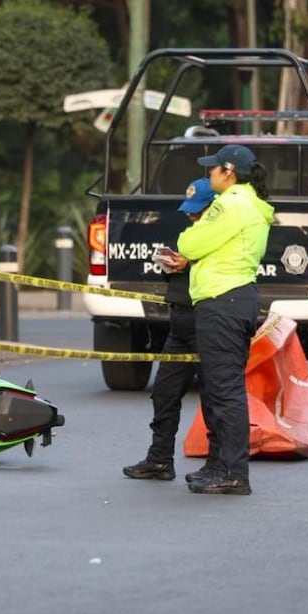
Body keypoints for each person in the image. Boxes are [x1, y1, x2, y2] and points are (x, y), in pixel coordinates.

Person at [177, 144, 274, 495]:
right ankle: (219, 465)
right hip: (232, 300)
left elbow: (189, 244)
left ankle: (233, 471)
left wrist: (189, 239)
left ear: (229, 172)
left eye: (213, 169)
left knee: (225, 391)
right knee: (216, 389)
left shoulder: (231, 204)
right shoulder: (247, 203)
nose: (209, 174)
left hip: (224, 301)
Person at [122, 178, 217, 482]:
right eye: (189, 209)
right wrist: (172, 265)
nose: (191, 215)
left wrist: (189, 264)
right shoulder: (190, 235)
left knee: (215, 398)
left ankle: (218, 464)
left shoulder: (220, 235)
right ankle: (160, 459)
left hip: (208, 322)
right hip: (179, 322)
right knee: (164, 392)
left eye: (198, 209)